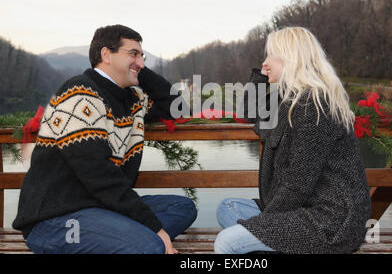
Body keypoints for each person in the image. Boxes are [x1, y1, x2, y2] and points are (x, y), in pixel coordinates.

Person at [12, 25, 197, 254]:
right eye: (132, 53)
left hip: (101, 207)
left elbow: (179, 109)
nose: (141, 62)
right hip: (56, 219)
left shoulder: (132, 100)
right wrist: (155, 229)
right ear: (106, 55)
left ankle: (119, 236)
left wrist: (136, 69)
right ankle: (128, 239)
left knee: (182, 208)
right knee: (150, 245)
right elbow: (98, 174)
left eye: (142, 55)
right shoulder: (80, 93)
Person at [214, 27, 371, 254]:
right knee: (227, 208)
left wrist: (263, 227)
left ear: (291, 59)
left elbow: (298, 184)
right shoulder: (287, 98)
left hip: (330, 220)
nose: (264, 62)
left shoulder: (315, 105)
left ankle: (278, 243)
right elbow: (249, 111)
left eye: (271, 56)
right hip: (299, 207)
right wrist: (263, 75)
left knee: (226, 242)